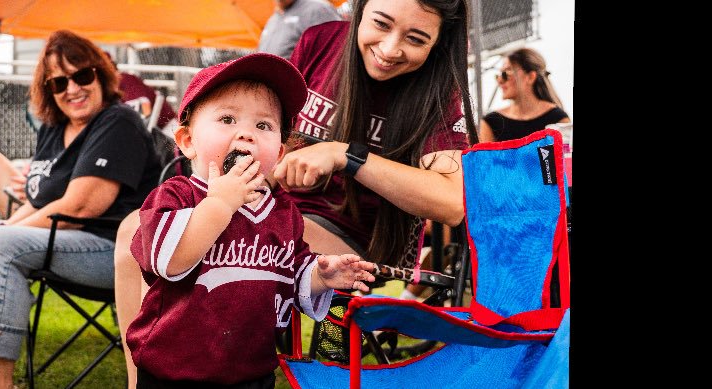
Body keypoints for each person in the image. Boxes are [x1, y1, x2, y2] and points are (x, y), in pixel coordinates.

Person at [113, 0, 477, 386]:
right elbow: (267, 123)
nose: (390, 49)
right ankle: (147, 376)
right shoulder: (321, 42)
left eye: (415, 39)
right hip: (275, 210)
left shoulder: (440, 92)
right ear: (359, 10)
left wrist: (346, 156)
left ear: (438, 42)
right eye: (381, 24)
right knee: (138, 230)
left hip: (351, 244)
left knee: (198, 234)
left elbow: (451, 202)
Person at [0, 29, 163, 389]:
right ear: (48, 89)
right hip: (68, 240)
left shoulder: (118, 122)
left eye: (82, 75)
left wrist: (0, 236)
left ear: (100, 74)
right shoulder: (55, 127)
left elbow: (80, 207)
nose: (72, 89)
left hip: (116, 252)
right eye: (59, 82)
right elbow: (38, 201)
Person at [126, 52, 378, 388]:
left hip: (252, 370)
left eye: (263, 126)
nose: (246, 134)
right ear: (188, 141)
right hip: (174, 369)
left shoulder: (283, 213)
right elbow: (170, 261)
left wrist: (321, 275)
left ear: (279, 153)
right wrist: (221, 203)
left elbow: (291, 275)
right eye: (227, 119)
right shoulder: (176, 196)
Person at [478, 47, 569, 142]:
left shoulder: (558, 118)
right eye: (498, 75)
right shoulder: (491, 122)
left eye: (506, 73)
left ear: (530, 77)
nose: (500, 80)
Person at [108, 52, 179, 131]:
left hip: (167, 128)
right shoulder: (109, 89)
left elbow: (144, 113)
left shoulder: (125, 79)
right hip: (152, 131)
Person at [257, 0, 342, 59]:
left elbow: (336, 51)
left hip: (299, 78)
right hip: (271, 78)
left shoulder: (317, 9)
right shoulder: (272, 19)